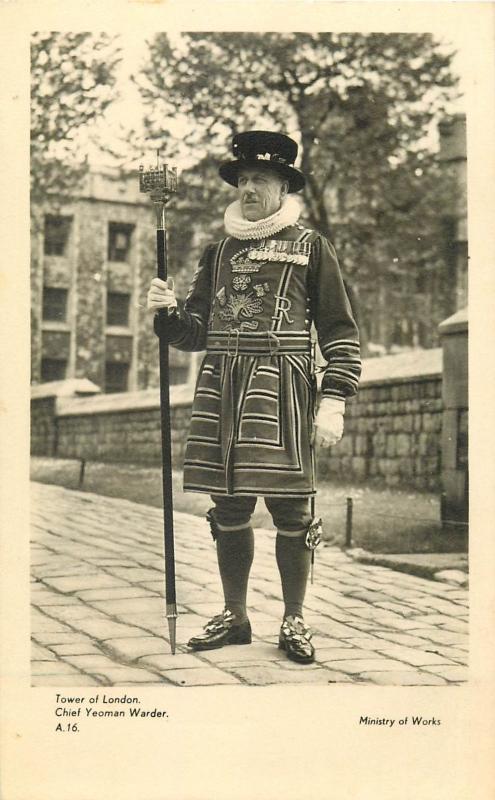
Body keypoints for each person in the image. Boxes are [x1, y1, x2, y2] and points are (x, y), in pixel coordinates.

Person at [147, 130, 361, 664]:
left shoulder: (311, 246)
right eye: (242, 180)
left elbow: (340, 330)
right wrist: (167, 313)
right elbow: (195, 333)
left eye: (258, 180)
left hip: (283, 385)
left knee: (291, 508)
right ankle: (235, 615)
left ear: (283, 186)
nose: (247, 189)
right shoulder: (217, 251)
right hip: (222, 384)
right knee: (230, 504)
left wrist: (334, 396)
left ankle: (293, 618)